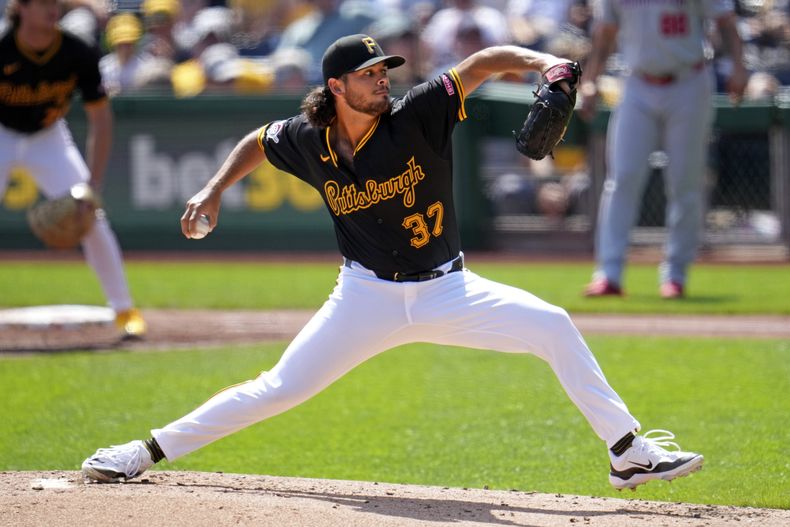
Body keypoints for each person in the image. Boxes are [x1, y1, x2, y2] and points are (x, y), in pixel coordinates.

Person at [82, 33, 703, 491]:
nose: (382, 80)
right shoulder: (309, 139)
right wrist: (212, 189)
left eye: (384, 70)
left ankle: (627, 451)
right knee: (279, 388)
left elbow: (485, 62)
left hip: (448, 290)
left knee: (554, 326)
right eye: (369, 73)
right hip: (364, 297)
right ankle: (143, 451)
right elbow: (259, 141)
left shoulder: (418, 113)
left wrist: (547, 64)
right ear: (337, 87)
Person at [580, 0, 748, 299]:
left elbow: (725, 20)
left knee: (685, 183)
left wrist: (738, 66)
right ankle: (609, 273)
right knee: (622, 179)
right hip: (637, 82)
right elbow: (606, 32)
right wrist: (590, 80)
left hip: (688, 81)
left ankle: (675, 273)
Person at [0, 0, 146, 339]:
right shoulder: (4, 47)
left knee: (91, 215)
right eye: (42, 2)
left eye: (55, 2)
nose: (52, 9)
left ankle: (124, 309)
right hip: (1, 132)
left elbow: (101, 118)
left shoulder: (76, 50)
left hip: (48, 136)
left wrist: (93, 184)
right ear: (21, 8)